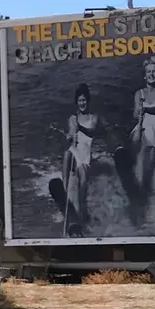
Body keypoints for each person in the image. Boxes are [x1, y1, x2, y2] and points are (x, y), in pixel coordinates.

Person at [62, 83, 102, 229]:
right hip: (74, 152)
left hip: (85, 157)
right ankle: (66, 197)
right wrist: (69, 137)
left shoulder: (93, 118)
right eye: (79, 100)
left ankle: (82, 211)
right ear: (76, 102)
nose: (82, 103)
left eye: (84, 100)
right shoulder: (72, 119)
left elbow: (92, 132)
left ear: (88, 101)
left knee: (83, 176)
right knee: (67, 154)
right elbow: (71, 135)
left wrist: (81, 128)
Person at [131, 55, 155, 197]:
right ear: (144, 76)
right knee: (141, 147)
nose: (152, 74)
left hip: (154, 134)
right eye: (149, 72)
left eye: (154, 71)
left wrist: (145, 109)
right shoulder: (138, 94)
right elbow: (135, 114)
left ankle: (145, 190)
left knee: (151, 154)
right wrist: (139, 111)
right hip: (140, 131)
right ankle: (137, 188)